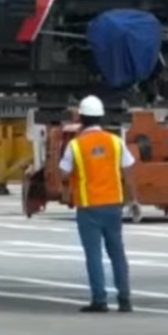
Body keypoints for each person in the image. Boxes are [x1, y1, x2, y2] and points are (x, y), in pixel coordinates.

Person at [57, 95, 134, 313]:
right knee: (117, 253)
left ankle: (100, 300)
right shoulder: (115, 141)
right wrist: (134, 199)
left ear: (81, 117)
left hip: (89, 207)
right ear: (101, 117)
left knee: (94, 255)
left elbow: (63, 173)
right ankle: (125, 299)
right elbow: (128, 169)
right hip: (113, 205)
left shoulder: (75, 145)